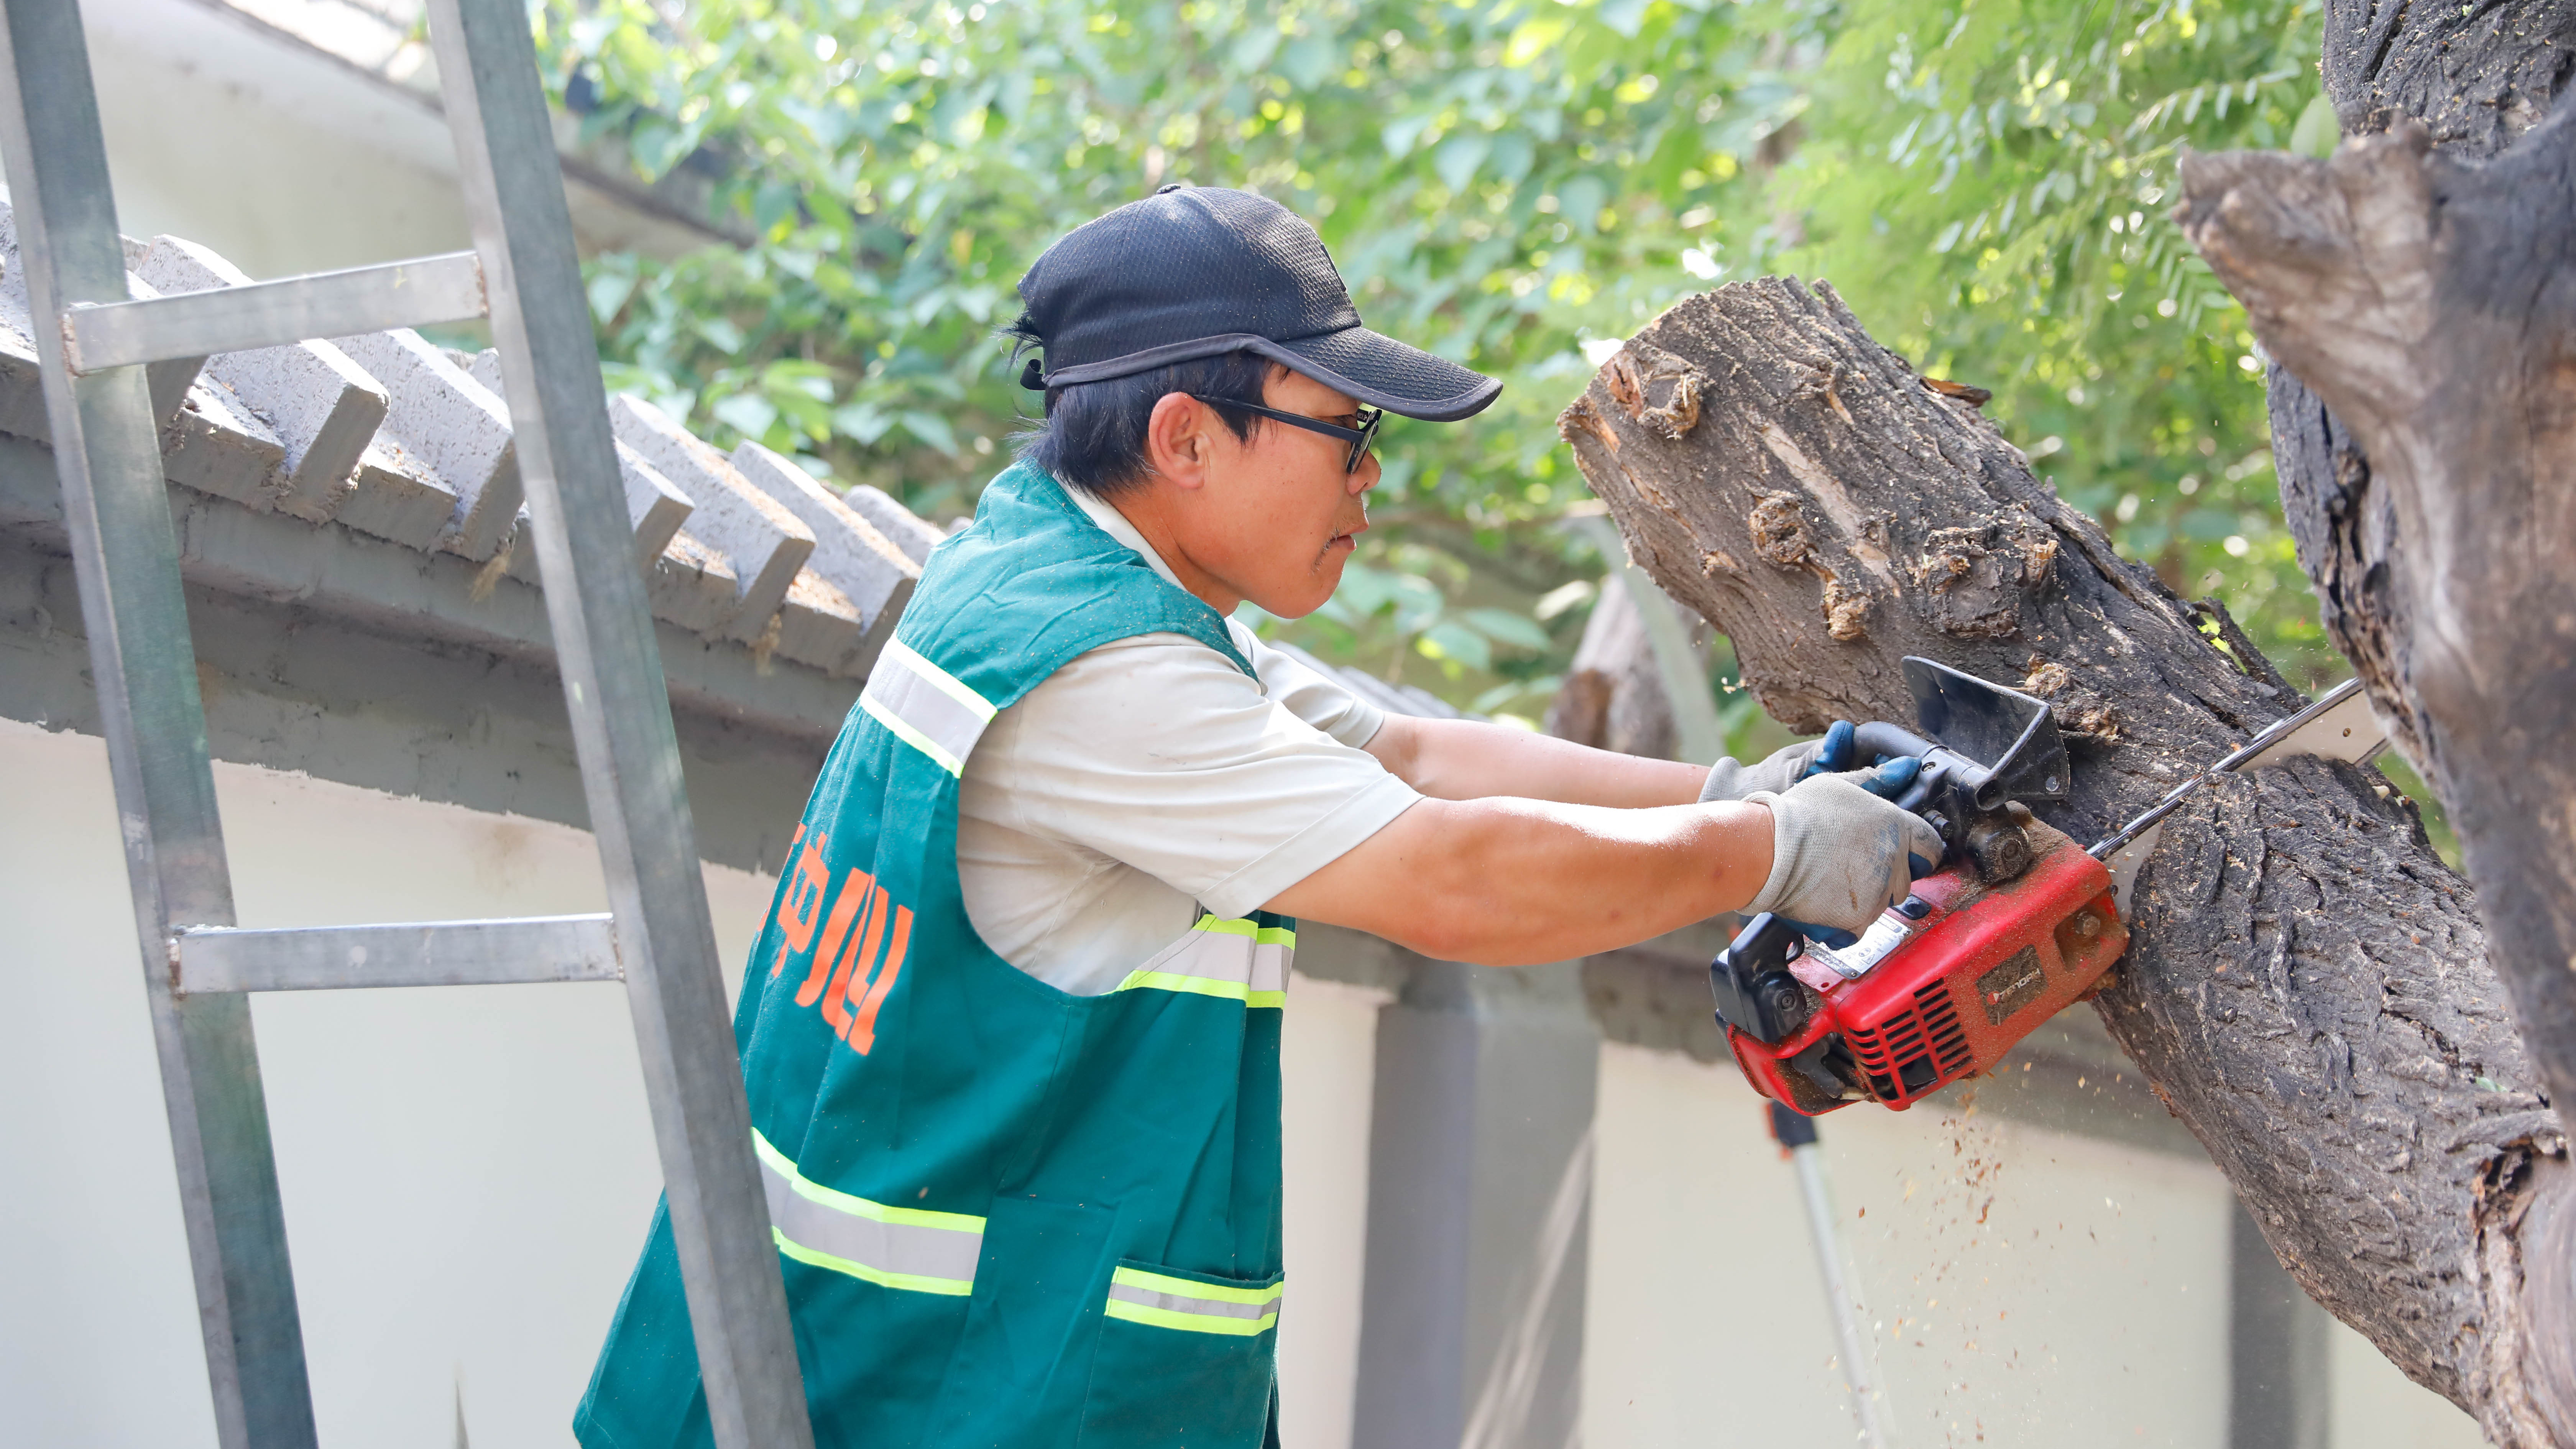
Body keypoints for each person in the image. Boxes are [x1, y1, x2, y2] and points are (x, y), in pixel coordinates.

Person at [573, 185, 1938, 1449]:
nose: (1370, 480)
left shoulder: (1054, 575)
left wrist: (1732, 793)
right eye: (1347, 434)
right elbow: (1447, 874)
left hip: (885, 1381)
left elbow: (1419, 751)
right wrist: (1782, 854)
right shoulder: (1105, 684)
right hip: (917, 1398)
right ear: (1183, 438)